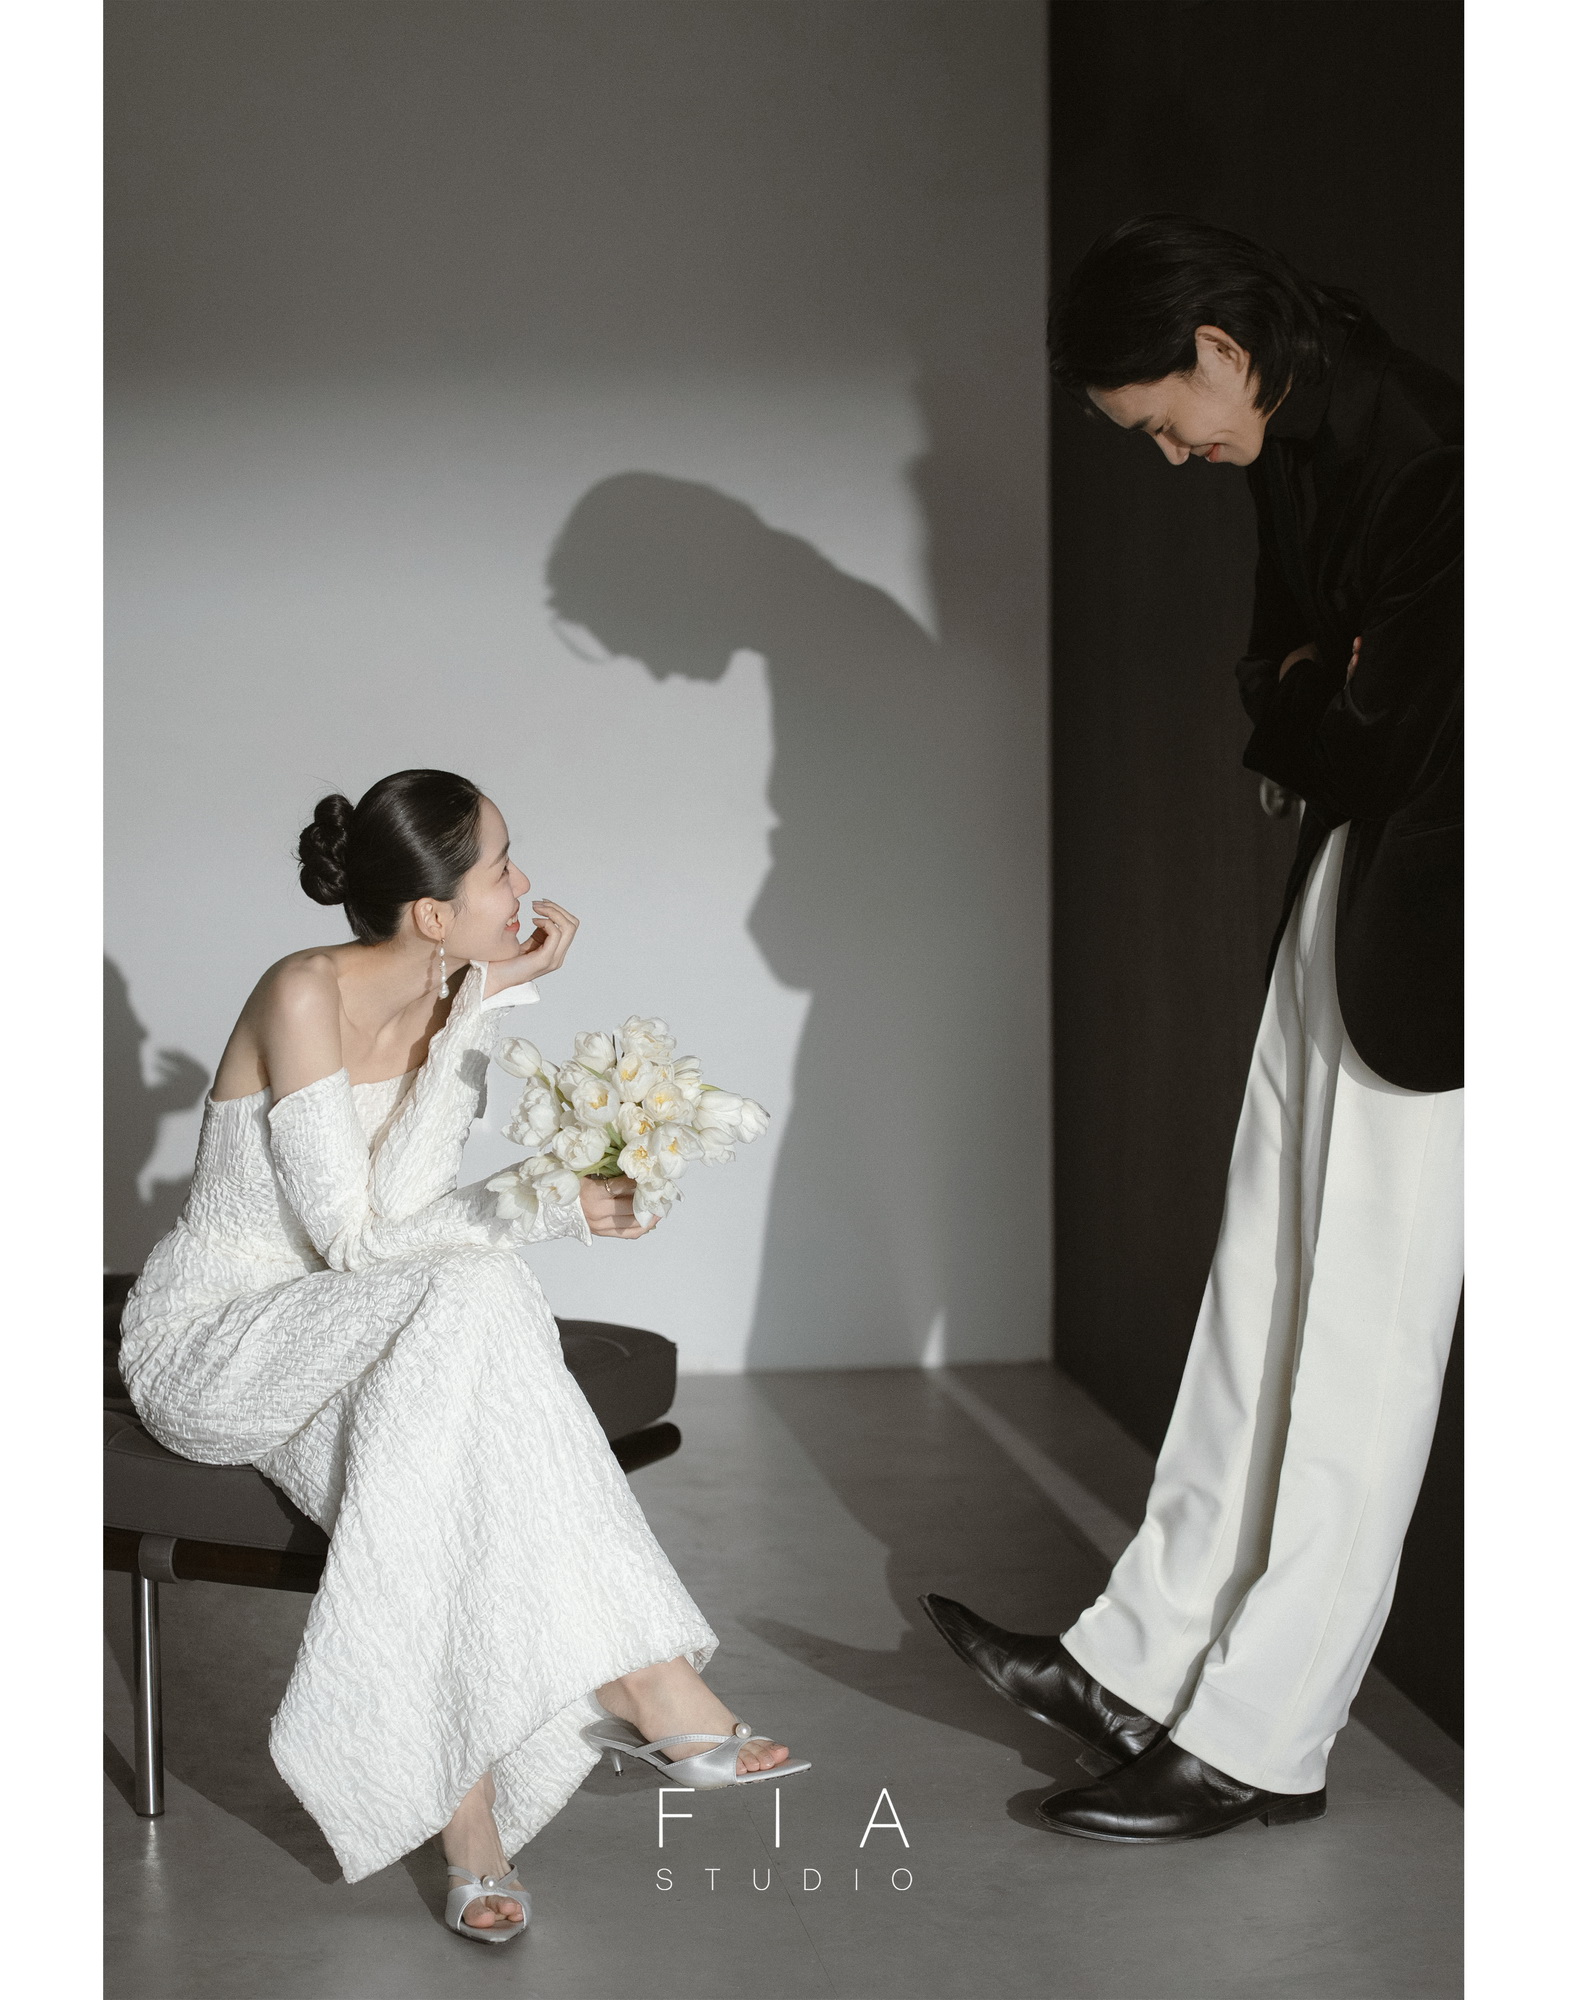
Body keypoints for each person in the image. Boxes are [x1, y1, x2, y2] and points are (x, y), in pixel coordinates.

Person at [922, 214, 1462, 1843]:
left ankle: (1260, 1739)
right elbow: (1282, 685)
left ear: (1222, 351)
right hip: (1363, 873)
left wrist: (1321, 697)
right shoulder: (1295, 428)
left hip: (1456, 919)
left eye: (1163, 421)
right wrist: (1317, 688)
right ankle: (1138, 1662)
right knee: (1261, 1284)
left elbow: (1374, 723)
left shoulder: (1430, 453)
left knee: (1362, 1335)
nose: (1167, 456)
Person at [119, 768, 808, 1939]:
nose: (524, 883)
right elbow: (355, 1243)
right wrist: (550, 1204)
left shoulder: (457, 1001)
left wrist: (477, 1006)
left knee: (420, 1468)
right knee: (476, 1282)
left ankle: (471, 1828)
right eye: (500, 865)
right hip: (222, 1343)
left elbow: (404, 1218)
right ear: (433, 910)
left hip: (360, 1332)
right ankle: (643, 1674)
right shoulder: (300, 990)